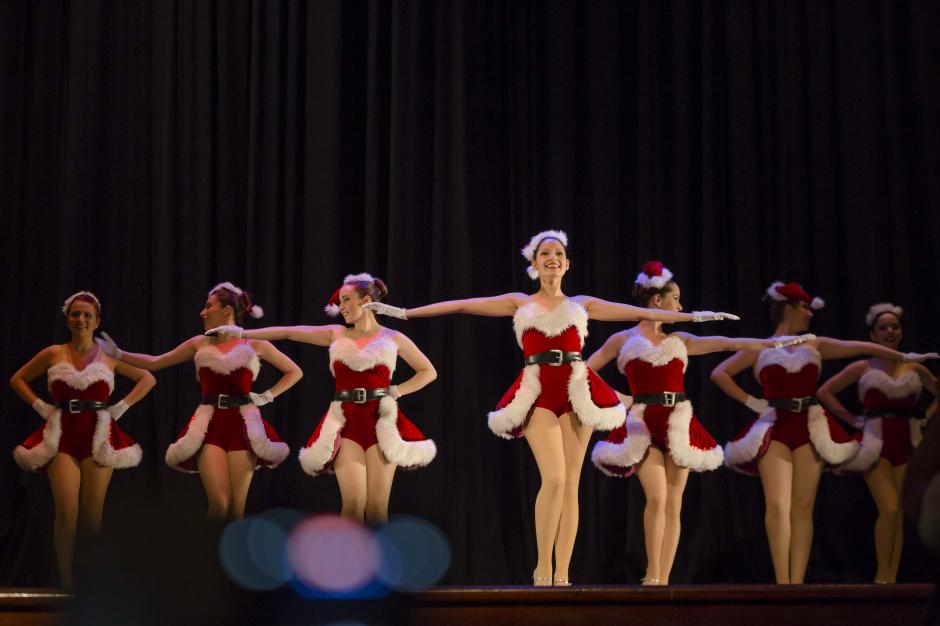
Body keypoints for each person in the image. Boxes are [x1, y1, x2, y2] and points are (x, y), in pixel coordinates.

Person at [366, 230, 739, 586]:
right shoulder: (520, 301)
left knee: (572, 485)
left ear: (567, 264)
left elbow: (633, 312)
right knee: (555, 479)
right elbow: (462, 304)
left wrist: (693, 318)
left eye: (559, 254)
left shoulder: (582, 304)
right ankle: (542, 567)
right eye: (545, 253)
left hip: (576, 387)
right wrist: (404, 313)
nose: (553, 259)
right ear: (534, 262)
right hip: (539, 388)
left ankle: (563, 573)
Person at [589, 262, 813, 585]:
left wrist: (772, 344)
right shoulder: (622, 339)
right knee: (656, 497)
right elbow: (585, 370)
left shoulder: (680, 339)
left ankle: (663, 579)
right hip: (643, 423)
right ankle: (651, 576)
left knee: (674, 503)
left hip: (677, 421)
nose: (680, 306)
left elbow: (728, 343)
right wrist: (620, 398)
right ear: (657, 301)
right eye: (675, 299)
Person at [711, 282, 937, 584]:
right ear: (789, 309)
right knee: (778, 505)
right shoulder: (762, 346)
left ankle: (798, 582)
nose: (809, 313)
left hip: (808, 426)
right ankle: (782, 583)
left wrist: (903, 357)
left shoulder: (814, 344)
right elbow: (719, 373)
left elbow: (862, 347)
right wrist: (752, 402)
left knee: (803, 508)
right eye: (805, 307)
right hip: (775, 426)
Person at [217, 273, 437, 524]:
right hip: (346, 419)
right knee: (353, 504)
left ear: (366, 300)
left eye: (346, 300)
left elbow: (428, 371)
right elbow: (291, 332)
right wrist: (241, 332)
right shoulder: (336, 333)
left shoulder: (392, 338)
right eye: (340, 301)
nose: (340, 306)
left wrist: (396, 391)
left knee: (376, 507)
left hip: (380, 420)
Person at [95, 282, 302, 521]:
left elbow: (294, 371)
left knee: (236, 509)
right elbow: (155, 362)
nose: (202, 312)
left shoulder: (255, 344)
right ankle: (207, 556)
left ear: (226, 310)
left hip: (243, 425)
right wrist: (119, 354)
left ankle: (228, 556)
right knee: (219, 503)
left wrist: (267, 396)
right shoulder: (199, 343)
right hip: (209, 424)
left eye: (208, 306)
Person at [10, 291, 155, 588]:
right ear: (67, 318)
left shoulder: (109, 357)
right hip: (62, 434)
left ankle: (90, 581)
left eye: (88, 315)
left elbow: (148, 378)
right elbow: (17, 379)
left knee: (92, 516)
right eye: (76, 314)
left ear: (97, 320)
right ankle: (67, 580)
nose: (81, 319)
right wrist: (40, 406)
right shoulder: (54, 353)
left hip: (98, 435)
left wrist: (123, 406)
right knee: (66, 511)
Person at [817, 303, 938, 583]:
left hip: (908, 444)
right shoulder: (863, 365)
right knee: (890, 508)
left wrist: (926, 418)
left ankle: (891, 579)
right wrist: (853, 419)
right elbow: (825, 391)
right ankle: (882, 576)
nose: (889, 331)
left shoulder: (915, 368)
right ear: (873, 335)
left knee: (901, 515)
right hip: (877, 444)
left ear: (901, 332)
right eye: (883, 327)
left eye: (894, 327)